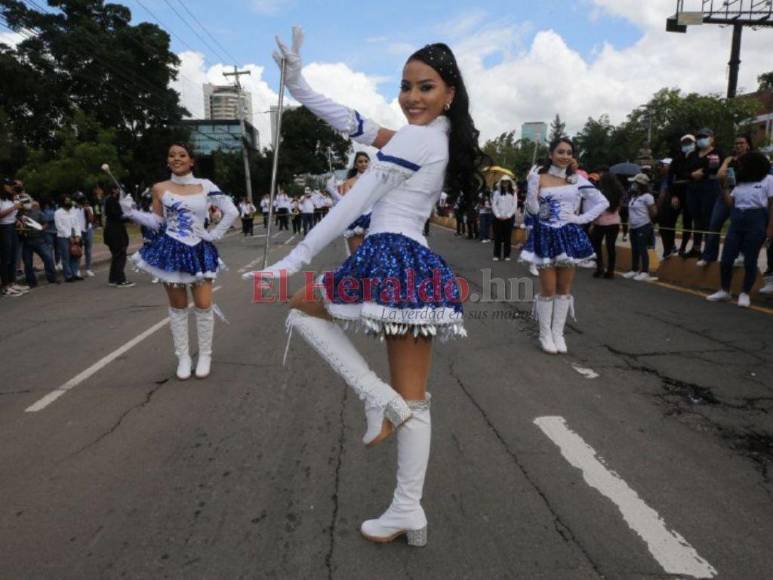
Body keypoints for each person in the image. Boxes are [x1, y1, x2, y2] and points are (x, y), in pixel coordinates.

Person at [247, 28, 486, 547]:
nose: (411, 97)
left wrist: (297, 255)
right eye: (405, 86)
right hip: (416, 263)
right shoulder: (433, 135)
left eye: (425, 87)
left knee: (302, 309)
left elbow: (352, 206)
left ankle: (374, 397)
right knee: (415, 399)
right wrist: (300, 84)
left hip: (390, 252)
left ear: (449, 93)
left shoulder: (419, 137)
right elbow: (355, 123)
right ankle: (408, 511)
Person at [121, 143, 238, 380]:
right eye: (171, 155)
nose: (176, 158)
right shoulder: (160, 188)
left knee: (204, 305)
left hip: (199, 250)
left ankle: (205, 355)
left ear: (191, 161)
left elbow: (232, 211)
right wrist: (132, 212)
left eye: (182, 155)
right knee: (178, 308)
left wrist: (214, 235)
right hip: (172, 250)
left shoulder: (206, 185)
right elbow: (157, 222)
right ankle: (183, 357)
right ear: (167, 161)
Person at [521, 137, 609, 354]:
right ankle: (545, 334)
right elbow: (533, 210)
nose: (565, 156)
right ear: (551, 154)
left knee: (564, 289)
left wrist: (579, 219)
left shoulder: (576, 180)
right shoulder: (539, 177)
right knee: (548, 289)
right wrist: (532, 186)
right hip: (545, 236)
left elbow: (602, 202)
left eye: (569, 152)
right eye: (560, 152)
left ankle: (558, 333)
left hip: (568, 237)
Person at [706, 152, 773, 307]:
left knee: (750, 259)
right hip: (737, 221)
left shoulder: (769, 180)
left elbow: (771, 206)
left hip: (756, 220)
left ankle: (745, 293)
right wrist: (724, 188)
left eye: (743, 164)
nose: (740, 167)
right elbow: (731, 204)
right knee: (727, 259)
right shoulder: (741, 183)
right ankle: (724, 290)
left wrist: (770, 228)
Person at [700, 134, 753, 266]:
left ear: (748, 145)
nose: (738, 146)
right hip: (725, 194)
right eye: (736, 143)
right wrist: (726, 166)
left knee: (738, 227)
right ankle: (709, 256)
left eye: (741, 143)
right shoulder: (729, 159)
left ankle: (740, 255)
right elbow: (720, 174)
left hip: (743, 196)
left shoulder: (752, 159)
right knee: (714, 225)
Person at [685, 128, 724, 260]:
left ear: (712, 138)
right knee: (697, 219)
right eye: (699, 137)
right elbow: (685, 170)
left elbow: (716, 169)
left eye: (705, 136)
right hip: (693, 188)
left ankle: (709, 252)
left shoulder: (718, 152)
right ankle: (696, 248)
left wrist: (703, 172)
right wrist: (692, 174)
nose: (701, 139)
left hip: (710, 188)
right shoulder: (692, 154)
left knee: (709, 220)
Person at [326, 151, 373, 254]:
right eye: (360, 162)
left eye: (366, 161)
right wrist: (332, 191)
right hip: (356, 220)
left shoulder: (376, 180)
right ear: (355, 165)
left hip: (374, 220)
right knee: (357, 257)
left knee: (373, 258)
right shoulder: (349, 182)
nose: (363, 164)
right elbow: (345, 202)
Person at [621, 173, 658, 281]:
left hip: (643, 225)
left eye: (635, 183)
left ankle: (645, 271)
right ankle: (634, 269)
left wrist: (650, 222)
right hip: (633, 226)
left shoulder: (648, 197)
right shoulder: (634, 196)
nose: (633, 185)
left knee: (642, 249)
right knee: (635, 249)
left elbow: (654, 212)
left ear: (640, 184)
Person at [18, 194, 58, 287]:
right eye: (24, 202)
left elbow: (45, 223)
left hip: (39, 240)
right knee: (28, 263)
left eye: (27, 201)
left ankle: (52, 279)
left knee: (48, 258)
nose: (27, 204)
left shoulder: (37, 212)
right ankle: (32, 283)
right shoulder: (18, 214)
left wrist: (42, 228)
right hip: (26, 242)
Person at [590, 172, 624, 278]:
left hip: (600, 223)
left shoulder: (600, 193)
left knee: (596, 246)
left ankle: (599, 267)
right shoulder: (619, 193)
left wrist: (593, 222)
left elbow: (598, 209)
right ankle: (610, 270)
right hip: (614, 223)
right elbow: (620, 207)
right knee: (611, 247)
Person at [103, 185, 134, 288]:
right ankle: (120, 280)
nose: (121, 192)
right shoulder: (111, 201)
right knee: (120, 255)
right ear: (114, 190)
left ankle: (113, 279)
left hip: (115, 230)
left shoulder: (113, 201)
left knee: (117, 256)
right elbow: (118, 216)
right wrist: (129, 217)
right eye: (120, 190)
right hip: (114, 231)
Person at [1, 178, 27, 296]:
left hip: (12, 227)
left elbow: (14, 213)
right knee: (5, 259)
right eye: (8, 185)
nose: (11, 187)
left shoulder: (10, 198)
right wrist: (14, 207)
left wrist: (18, 220)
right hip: (3, 229)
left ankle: (12, 283)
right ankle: (5, 286)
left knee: (13, 257)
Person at [54, 195, 83, 283]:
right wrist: (69, 236)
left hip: (75, 236)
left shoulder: (73, 211)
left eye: (69, 200)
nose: (69, 202)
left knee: (75, 255)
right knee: (66, 256)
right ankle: (68, 276)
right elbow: (59, 226)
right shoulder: (58, 213)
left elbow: (77, 224)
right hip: (63, 237)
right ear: (62, 202)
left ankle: (75, 274)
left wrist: (78, 235)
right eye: (67, 200)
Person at [491, 176, 517, 261]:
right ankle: (496, 255)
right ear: (501, 183)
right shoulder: (496, 193)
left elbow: (514, 205)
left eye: (507, 182)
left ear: (509, 183)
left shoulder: (513, 193)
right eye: (503, 182)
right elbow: (494, 205)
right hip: (498, 218)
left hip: (508, 218)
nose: (505, 183)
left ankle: (507, 255)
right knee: (497, 237)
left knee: (507, 238)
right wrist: (498, 215)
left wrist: (508, 215)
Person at [74, 192, 95, 277]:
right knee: (78, 251)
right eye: (80, 199)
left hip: (88, 230)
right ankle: (77, 270)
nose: (82, 201)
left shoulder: (89, 207)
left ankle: (88, 269)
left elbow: (91, 220)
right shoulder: (73, 209)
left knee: (88, 251)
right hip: (78, 231)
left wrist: (87, 210)